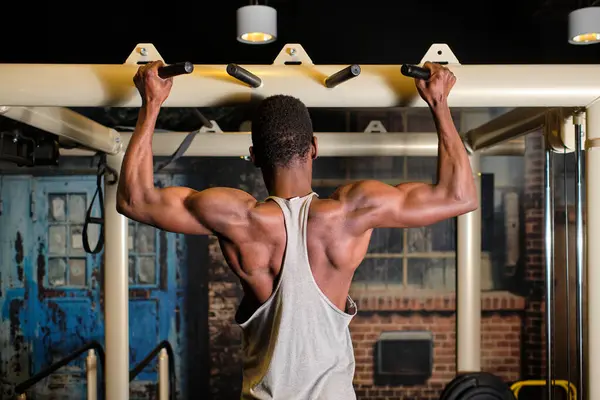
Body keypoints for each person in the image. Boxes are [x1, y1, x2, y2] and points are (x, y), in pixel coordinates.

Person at [116, 61, 477, 400]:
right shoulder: (353, 211)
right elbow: (459, 195)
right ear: (314, 147)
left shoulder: (237, 219)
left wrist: (151, 102)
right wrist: (439, 102)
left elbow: (134, 199)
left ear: (254, 155)